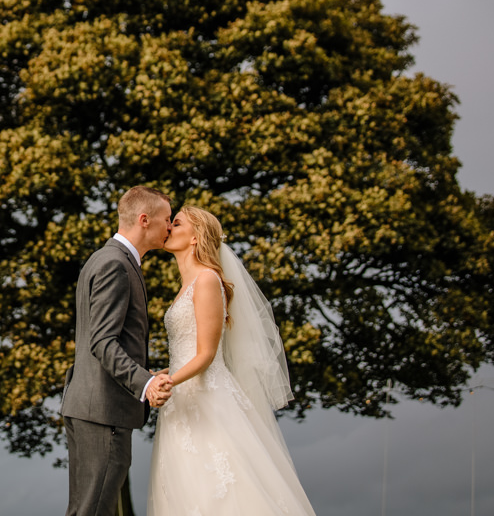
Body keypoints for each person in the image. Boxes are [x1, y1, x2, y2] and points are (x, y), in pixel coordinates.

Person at [146, 206, 316, 515]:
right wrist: (162, 373)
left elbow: (207, 354)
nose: (169, 227)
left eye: (178, 223)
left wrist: (169, 380)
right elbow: (189, 350)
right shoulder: (186, 285)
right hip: (181, 403)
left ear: (196, 237)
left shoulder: (207, 280)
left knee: (222, 491)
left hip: (208, 401)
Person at [61, 185, 175, 516]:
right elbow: (102, 342)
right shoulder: (116, 264)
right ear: (144, 220)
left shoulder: (105, 258)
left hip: (90, 407)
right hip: (102, 411)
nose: (170, 227)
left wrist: (146, 372)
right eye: (167, 219)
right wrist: (146, 383)